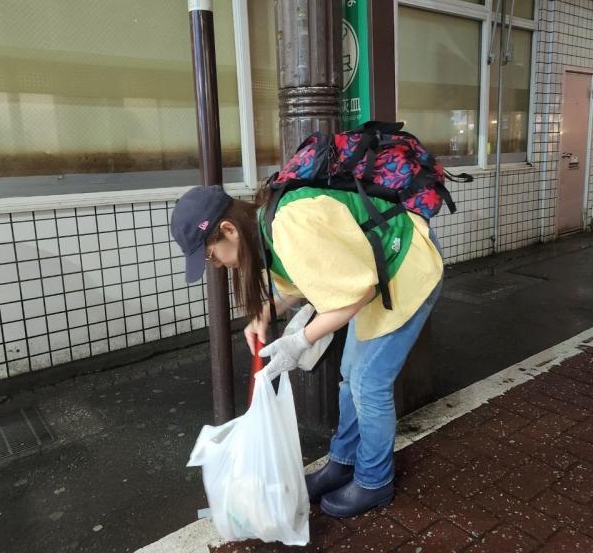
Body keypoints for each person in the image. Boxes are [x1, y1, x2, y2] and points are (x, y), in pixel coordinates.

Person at [170, 183, 443, 518]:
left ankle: (375, 482)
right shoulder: (266, 229)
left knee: (368, 385)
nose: (215, 265)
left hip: (407, 267)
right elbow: (308, 279)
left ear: (228, 229)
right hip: (379, 276)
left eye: (210, 255)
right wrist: (266, 311)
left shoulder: (290, 225)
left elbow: (352, 296)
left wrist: (299, 340)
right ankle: (343, 464)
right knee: (349, 379)